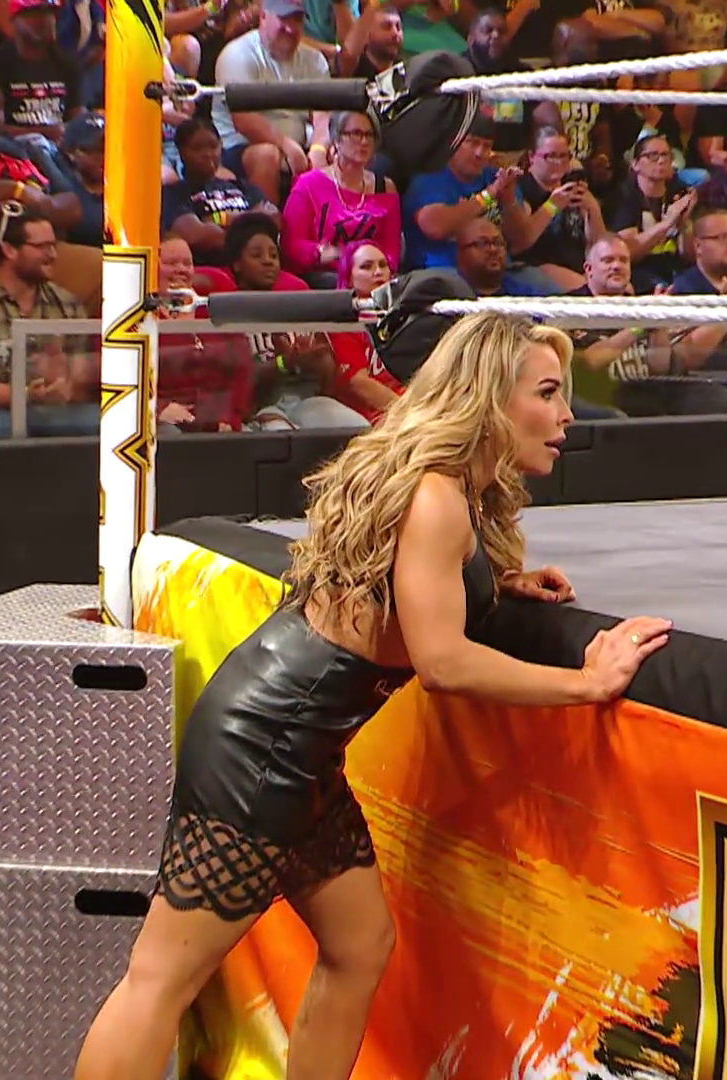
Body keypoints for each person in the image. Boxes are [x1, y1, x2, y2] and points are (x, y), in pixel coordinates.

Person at [71, 312, 672, 1080]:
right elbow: (443, 662)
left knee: (360, 947)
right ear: (490, 398)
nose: (566, 415)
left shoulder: (452, 485)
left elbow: (412, 589)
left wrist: (496, 583)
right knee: (162, 977)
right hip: (263, 746)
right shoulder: (437, 496)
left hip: (299, 745)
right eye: (547, 393)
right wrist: (586, 683)